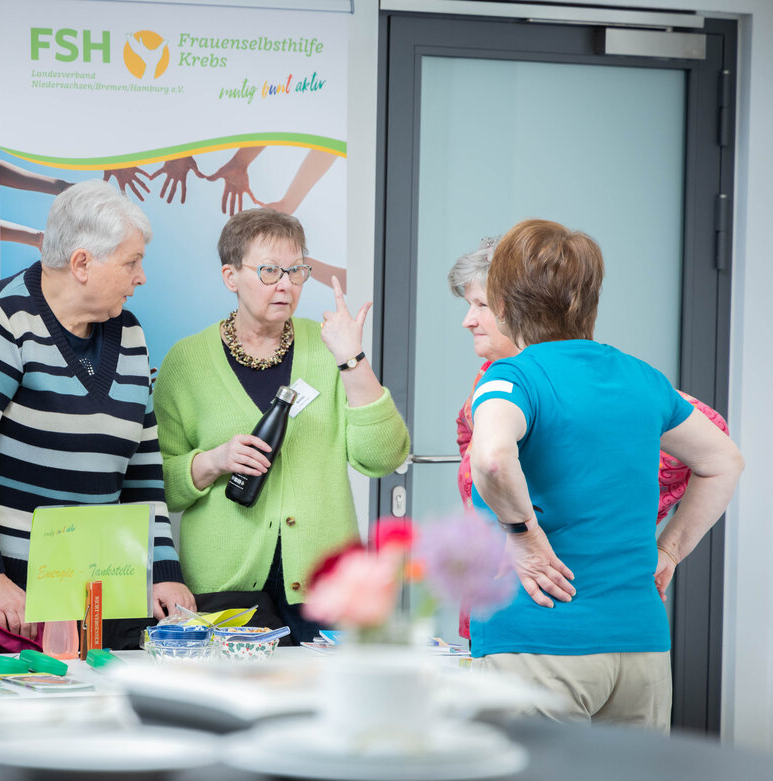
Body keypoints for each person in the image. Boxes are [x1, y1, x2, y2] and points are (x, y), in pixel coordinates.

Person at [468, 219, 744, 730]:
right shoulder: (644, 379)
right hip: (640, 647)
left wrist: (523, 536)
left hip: (539, 643)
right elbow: (724, 461)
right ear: (588, 301)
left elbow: (490, 457)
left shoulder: (514, 377)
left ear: (503, 305)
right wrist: (669, 551)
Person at [0, 180, 195, 646]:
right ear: (82, 263)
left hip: (77, 566)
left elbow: (143, 470)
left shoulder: (129, 334)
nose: (141, 277)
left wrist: (163, 571)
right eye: (131, 262)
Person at [152, 209, 410, 643]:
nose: (286, 285)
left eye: (296, 271)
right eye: (270, 271)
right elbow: (158, 487)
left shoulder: (329, 347)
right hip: (224, 584)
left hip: (327, 587)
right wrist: (214, 461)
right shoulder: (186, 362)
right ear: (231, 276)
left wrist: (353, 360)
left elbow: (383, 457)